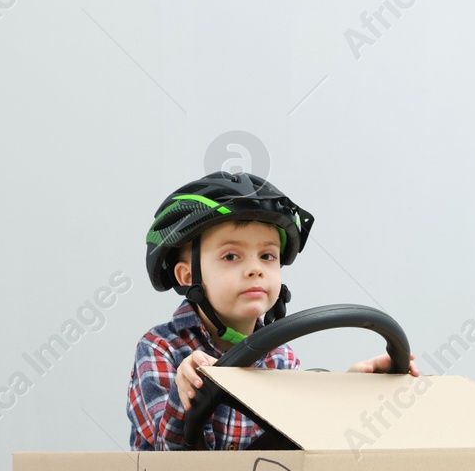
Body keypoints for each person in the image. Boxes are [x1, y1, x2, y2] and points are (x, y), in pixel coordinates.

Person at [127, 170, 417, 450]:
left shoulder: (281, 358)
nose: (255, 269)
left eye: (267, 256)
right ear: (188, 276)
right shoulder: (160, 349)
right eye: (231, 256)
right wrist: (186, 394)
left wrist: (350, 389)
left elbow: (297, 441)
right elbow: (167, 454)